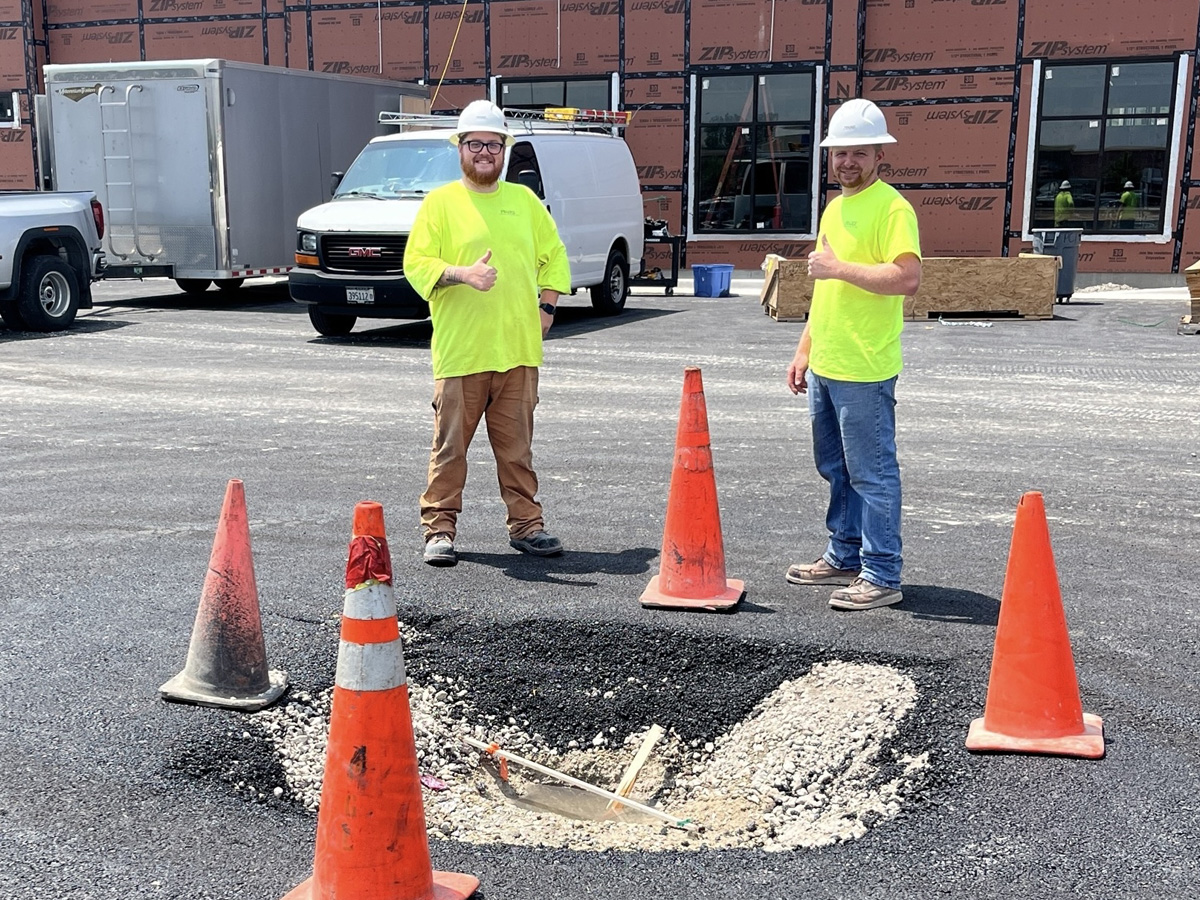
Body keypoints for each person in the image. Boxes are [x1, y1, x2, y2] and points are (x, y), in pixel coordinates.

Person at [403, 100, 571, 567]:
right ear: (460, 148)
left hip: (518, 352)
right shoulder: (440, 204)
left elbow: (555, 257)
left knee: (517, 451)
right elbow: (415, 265)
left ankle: (527, 527)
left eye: (493, 145)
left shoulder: (524, 203)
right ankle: (439, 530)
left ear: (504, 150)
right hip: (462, 353)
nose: (484, 152)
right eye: (474, 143)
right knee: (450, 449)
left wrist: (547, 307)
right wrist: (462, 274)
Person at [783, 98, 922, 611]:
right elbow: (825, 291)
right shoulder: (835, 208)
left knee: (873, 473)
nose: (846, 162)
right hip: (827, 364)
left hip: (865, 368)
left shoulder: (892, 208)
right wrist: (804, 350)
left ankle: (882, 572)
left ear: (878, 156)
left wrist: (841, 269)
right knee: (836, 469)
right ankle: (843, 555)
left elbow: (907, 278)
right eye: (839, 153)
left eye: (858, 153)